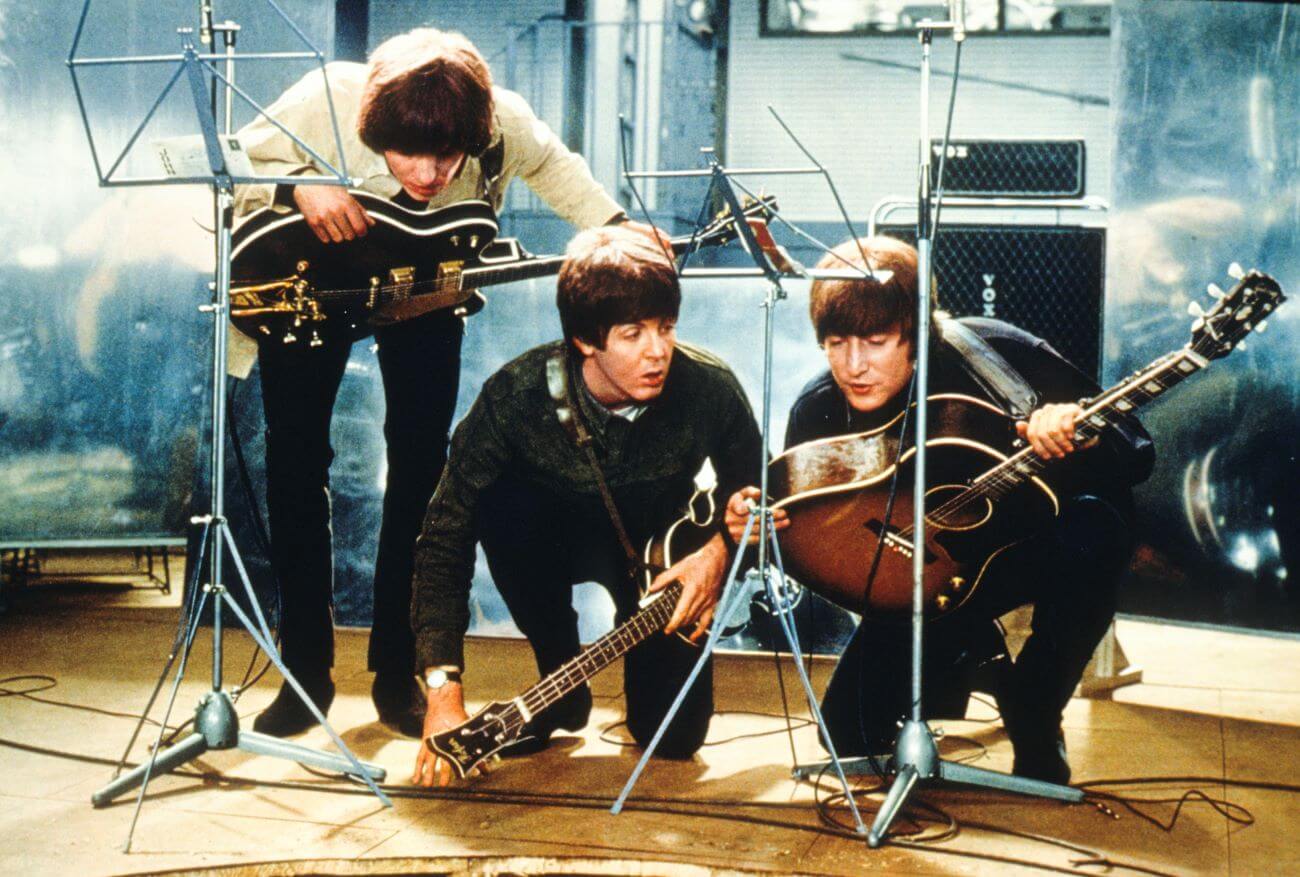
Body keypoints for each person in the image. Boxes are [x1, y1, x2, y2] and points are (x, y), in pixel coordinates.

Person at [232, 28, 666, 738]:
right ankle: (303, 672)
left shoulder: (502, 122)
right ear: (374, 126)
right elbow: (231, 161)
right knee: (295, 469)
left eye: (447, 157)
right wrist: (299, 183)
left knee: (421, 476)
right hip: (314, 290)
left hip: (425, 292)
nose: (429, 176)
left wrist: (621, 232)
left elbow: (559, 171)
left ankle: (397, 671)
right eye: (407, 154)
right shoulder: (328, 97)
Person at [725, 236, 1155, 783]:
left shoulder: (999, 355)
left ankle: (1037, 710)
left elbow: (1136, 451)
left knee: (1100, 527)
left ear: (916, 335)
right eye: (836, 343)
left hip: (1031, 550)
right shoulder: (818, 411)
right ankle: (976, 656)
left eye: (876, 342)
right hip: (920, 579)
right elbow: (814, 537)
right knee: (847, 739)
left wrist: (1081, 435)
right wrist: (757, 526)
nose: (853, 366)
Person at [410, 225, 764, 787]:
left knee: (674, 739)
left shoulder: (709, 387)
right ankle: (560, 676)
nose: (658, 351)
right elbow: (444, 536)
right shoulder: (514, 396)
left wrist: (718, 555)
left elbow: (762, 495)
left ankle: (636, 679)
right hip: (548, 542)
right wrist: (442, 691)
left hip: (658, 559)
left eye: (665, 328)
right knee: (499, 506)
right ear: (585, 340)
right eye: (632, 334)